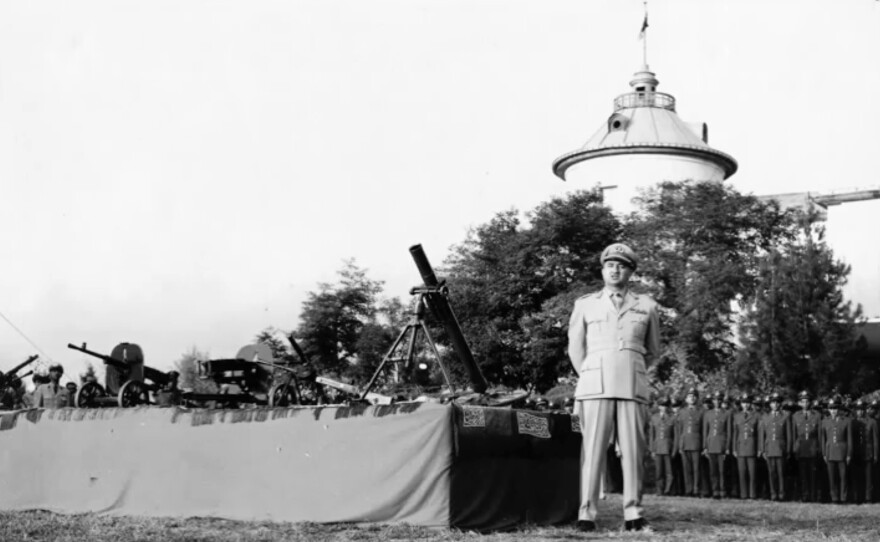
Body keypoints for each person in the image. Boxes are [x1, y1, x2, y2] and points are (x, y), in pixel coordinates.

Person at [568, 243, 660, 532]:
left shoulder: (647, 305)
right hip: (596, 385)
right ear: (603, 270)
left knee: (633, 452)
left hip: (632, 384)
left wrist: (633, 367)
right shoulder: (585, 304)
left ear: (630, 272)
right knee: (592, 451)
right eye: (610, 265)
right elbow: (576, 349)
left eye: (621, 266)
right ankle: (586, 514)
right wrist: (591, 372)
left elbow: (653, 351)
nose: (615, 270)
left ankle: (633, 514)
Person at [759, 392, 792, 501]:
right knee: (771, 473)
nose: (775, 405)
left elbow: (789, 435)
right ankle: (773, 493)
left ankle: (782, 494)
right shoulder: (765, 417)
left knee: (781, 472)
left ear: (780, 404)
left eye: (777, 402)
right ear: (770, 404)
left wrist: (788, 450)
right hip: (769, 448)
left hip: (781, 448)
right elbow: (762, 435)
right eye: (773, 402)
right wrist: (762, 450)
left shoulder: (785, 417)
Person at [821, 396, 852, 504]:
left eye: (835, 408)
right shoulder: (825, 421)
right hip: (830, 452)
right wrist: (824, 453)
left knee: (843, 476)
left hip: (842, 452)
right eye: (831, 408)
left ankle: (843, 497)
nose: (833, 410)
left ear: (839, 409)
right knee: (832, 477)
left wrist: (849, 454)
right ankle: (834, 497)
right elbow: (823, 439)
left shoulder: (846, 421)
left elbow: (849, 439)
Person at [792, 390, 822, 502]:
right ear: (799, 403)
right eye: (803, 401)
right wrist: (794, 448)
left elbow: (820, 434)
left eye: (807, 401)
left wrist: (819, 448)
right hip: (801, 448)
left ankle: (814, 496)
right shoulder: (795, 416)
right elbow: (794, 434)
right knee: (802, 475)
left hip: (813, 447)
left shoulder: (817, 415)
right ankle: (804, 496)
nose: (805, 404)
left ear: (811, 402)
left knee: (813, 474)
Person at [703, 391, 732, 498]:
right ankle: (715, 490)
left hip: (721, 445)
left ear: (722, 401)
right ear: (712, 401)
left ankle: (722, 490)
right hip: (711, 445)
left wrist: (727, 447)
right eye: (715, 400)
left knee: (722, 470)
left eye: (719, 400)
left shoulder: (727, 413)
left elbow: (729, 432)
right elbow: (705, 432)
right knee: (713, 471)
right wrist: (705, 446)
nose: (717, 402)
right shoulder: (708, 414)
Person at [733, 393, 759, 499]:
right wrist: (734, 448)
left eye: (748, 403)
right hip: (740, 446)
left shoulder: (756, 416)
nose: (745, 405)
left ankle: (752, 494)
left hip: (752, 446)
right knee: (742, 472)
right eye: (743, 403)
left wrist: (759, 448)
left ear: (751, 404)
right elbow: (735, 433)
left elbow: (759, 433)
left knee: (752, 473)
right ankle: (743, 494)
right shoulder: (737, 416)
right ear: (741, 404)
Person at [649, 397, 676, 496]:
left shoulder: (672, 417)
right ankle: (659, 490)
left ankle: (668, 490)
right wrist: (652, 449)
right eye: (662, 405)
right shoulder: (654, 417)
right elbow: (652, 435)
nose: (663, 408)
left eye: (665, 406)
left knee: (669, 472)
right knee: (658, 471)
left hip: (668, 447)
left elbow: (675, 436)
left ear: (668, 407)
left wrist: (674, 450)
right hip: (658, 447)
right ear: (659, 407)